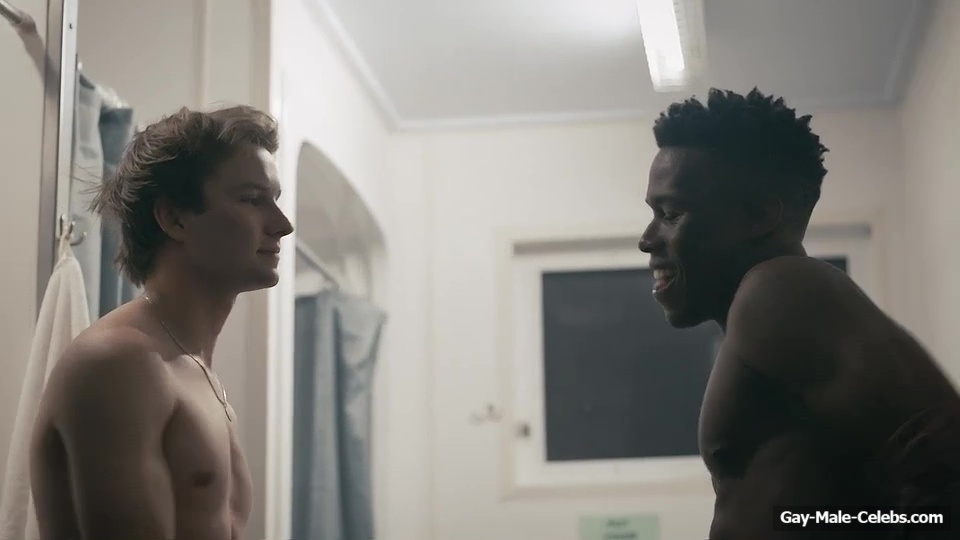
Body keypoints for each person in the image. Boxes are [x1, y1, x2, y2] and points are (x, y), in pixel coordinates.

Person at [638, 88, 960, 539]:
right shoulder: (767, 313)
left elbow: (946, 465)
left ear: (759, 216)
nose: (647, 239)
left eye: (671, 213)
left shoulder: (782, 289)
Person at [29, 105, 294, 540]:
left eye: (275, 200)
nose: (282, 225)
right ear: (174, 218)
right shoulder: (120, 363)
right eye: (251, 199)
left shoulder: (190, 368)